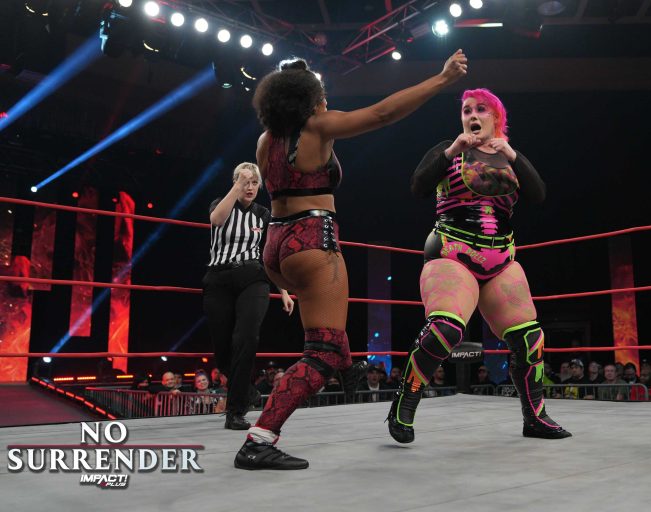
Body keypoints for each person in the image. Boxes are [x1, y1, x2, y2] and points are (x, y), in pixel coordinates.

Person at [234, 50, 469, 470]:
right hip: (311, 241)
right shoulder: (317, 127)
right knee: (321, 351)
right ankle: (260, 438)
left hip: (276, 245)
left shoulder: (266, 140)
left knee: (331, 333)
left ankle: (351, 371)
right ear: (309, 100)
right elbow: (381, 114)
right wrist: (441, 79)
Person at [387, 88, 570, 443]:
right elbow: (418, 186)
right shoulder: (448, 149)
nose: (472, 115)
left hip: (501, 257)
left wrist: (512, 154)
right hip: (453, 251)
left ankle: (535, 417)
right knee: (446, 329)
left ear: (496, 117)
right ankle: (404, 403)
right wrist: (452, 151)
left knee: (530, 338)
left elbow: (539, 194)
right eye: (467, 110)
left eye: (481, 109)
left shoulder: (510, 158)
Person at [203, 162, 295, 431]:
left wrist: (283, 290)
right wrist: (237, 185)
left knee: (246, 339)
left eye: (255, 182)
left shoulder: (263, 214)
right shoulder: (221, 204)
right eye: (246, 182)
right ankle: (248, 391)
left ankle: (235, 411)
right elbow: (216, 220)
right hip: (218, 279)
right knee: (222, 352)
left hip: (253, 278)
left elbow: (270, 254)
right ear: (236, 183)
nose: (250, 187)